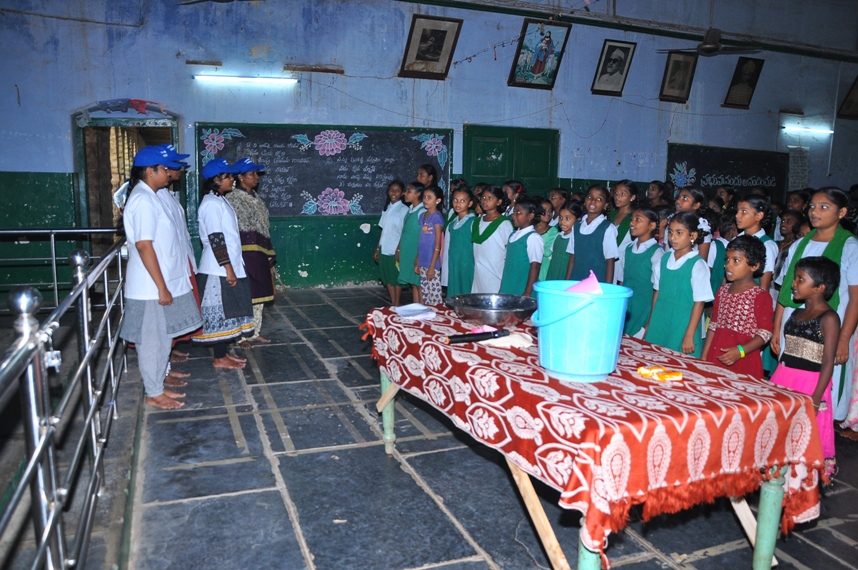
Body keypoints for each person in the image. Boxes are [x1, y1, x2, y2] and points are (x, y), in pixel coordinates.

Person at [120, 146, 202, 410]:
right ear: (149, 170)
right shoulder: (143, 200)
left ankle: (157, 384)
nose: (169, 174)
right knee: (152, 341)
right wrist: (161, 287)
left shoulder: (153, 196)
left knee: (163, 338)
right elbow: (144, 246)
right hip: (150, 287)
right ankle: (154, 392)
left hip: (161, 283)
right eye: (165, 169)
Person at [773, 187, 858, 422]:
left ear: (842, 212)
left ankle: (820, 438)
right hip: (795, 322)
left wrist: (843, 339)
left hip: (829, 327)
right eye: (811, 206)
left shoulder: (850, 247)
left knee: (823, 381)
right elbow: (785, 291)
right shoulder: (800, 244)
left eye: (824, 207)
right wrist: (776, 327)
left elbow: (855, 299)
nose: (814, 211)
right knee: (790, 380)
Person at [771, 256, 841, 479]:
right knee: (781, 427)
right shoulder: (795, 313)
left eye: (800, 279)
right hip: (784, 378)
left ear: (819, 288)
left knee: (805, 433)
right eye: (795, 278)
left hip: (810, 384)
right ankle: (777, 475)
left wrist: (817, 397)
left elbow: (828, 360)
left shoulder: (829, 318)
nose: (793, 283)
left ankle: (800, 482)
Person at [193, 158, 254, 369]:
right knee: (219, 312)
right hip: (217, 268)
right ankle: (219, 357)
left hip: (229, 264)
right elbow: (215, 238)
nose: (231, 179)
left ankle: (224, 353)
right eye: (227, 176)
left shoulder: (220, 200)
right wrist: (228, 268)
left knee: (227, 312)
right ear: (215, 180)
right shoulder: (210, 203)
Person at [701, 235, 773, 378]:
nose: (728, 264)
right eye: (727, 259)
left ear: (754, 266)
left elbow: (765, 333)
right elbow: (714, 325)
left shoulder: (760, 296)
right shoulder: (722, 291)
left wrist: (740, 351)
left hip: (744, 359)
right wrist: (704, 356)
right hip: (716, 355)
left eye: (736, 260)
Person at [645, 211, 714, 357]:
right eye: (670, 232)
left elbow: (699, 302)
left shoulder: (698, 265)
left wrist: (689, 335)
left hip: (683, 323)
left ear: (693, 236)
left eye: (679, 233)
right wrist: (651, 323)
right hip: (661, 320)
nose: (673, 237)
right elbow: (656, 292)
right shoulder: (664, 259)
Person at [227, 157, 277, 347]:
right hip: (244, 255)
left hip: (259, 253)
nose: (256, 177)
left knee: (259, 295)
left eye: (256, 173)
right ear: (240, 177)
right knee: (244, 294)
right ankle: (240, 335)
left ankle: (254, 331)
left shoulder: (256, 199)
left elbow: (263, 226)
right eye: (252, 174)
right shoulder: (232, 199)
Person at [617, 207, 663, 338]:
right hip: (627, 309)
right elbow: (621, 281)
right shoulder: (628, 249)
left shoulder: (656, 253)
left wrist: (649, 323)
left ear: (652, 225)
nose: (632, 223)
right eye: (632, 219)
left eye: (638, 220)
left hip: (643, 311)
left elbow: (658, 291)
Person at [566, 185, 619, 283]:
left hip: (597, 283)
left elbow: (610, 261)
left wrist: (607, 289)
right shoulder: (577, 226)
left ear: (605, 205)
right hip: (576, 280)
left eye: (599, 199)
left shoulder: (608, 228)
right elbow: (573, 257)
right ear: (585, 200)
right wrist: (567, 282)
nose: (593, 201)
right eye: (590, 197)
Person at [472, 185, 513, 293]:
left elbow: (508, 251)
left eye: (490, 198)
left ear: (499, 202)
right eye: (483, 198)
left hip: (496, 273)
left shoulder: (504, 224)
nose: (485, 201)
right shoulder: (477, 222)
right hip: (479, 274)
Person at [499, 196, 543, 296]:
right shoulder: (512, 235)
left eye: (519, 213)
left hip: (523, 286)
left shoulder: (533, 237)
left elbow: (535, 266)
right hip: (510, 284)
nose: (514, 216)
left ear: (530, 216)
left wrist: (527, 292)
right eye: (514, 212)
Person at [375, 180, 408, 306]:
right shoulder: (388, 208)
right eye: (391, 190)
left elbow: (403, 232)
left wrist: (398, 250)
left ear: (402, 193)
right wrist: (378, 248)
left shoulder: (403, 210)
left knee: (395, 278)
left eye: (397, 190)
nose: (394, 193)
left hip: (394, 248)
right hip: (384, 247)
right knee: (387, 276)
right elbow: (383, 230)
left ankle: (397, 303)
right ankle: (393, 303)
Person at [735, 195, 778, 290]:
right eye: (737, 211)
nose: (737, 215)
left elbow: (764, 286)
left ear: (759, 216)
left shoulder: (767, 245)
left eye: (744, 211)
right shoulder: (736, 239)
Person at [441, 185, 476, 297]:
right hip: (454, 263)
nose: (458, 203)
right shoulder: (452, 224)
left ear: (470, 204)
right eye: (455, 200)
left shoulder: (473, 222)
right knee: (455, 294)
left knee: (467, 293)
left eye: (462, 201)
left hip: (467, 265)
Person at [415, 185, 444, 304]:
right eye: (425, 197)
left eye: (429, 197)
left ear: (438, 200)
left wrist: (432, 266)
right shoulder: (422, 216)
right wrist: (417, 259)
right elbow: (421, 240)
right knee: (425, 294)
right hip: (423, 260)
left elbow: (437, 244)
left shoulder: (437, 217)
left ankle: (439, 319)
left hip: (432, 263)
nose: (425, 200)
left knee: (435, 296)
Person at [396, 182, 425, 302]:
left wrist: (419, 256)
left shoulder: (422, 211)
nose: (405, 193)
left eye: (408, 191)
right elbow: (404, 231)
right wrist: (398, 248)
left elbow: (424, 236)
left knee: (419, 284)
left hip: (416, 252)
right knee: (413, 283)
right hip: (407, 250)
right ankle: (416, 309)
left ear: (418, 194)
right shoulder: (410, 210)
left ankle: (423, 310)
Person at [675, 187, 712, 264]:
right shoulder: (672, 222)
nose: (678, 201)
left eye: (685, 198)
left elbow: (702, 261)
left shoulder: (702, 227)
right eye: (678, 197)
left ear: (696, 205)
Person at [545, 201, 580, 281]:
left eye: (568, 218)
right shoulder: (558, 236)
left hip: (565, 277)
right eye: (560, 217)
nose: (562, 221)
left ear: (577, 219)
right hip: (553, 275)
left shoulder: (576, 238)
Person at [609, 180, 638, 254]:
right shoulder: (611, 214)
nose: (617, 196)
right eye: (616, 193)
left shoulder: (634, 217)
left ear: (632, 197)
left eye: (622, 193)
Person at [533, 198, 558, 282]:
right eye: (544, 210)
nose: (548, 213)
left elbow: (547, 252)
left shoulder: (553, 231)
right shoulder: (530, 228)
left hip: (543, 271)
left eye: (550, 211)